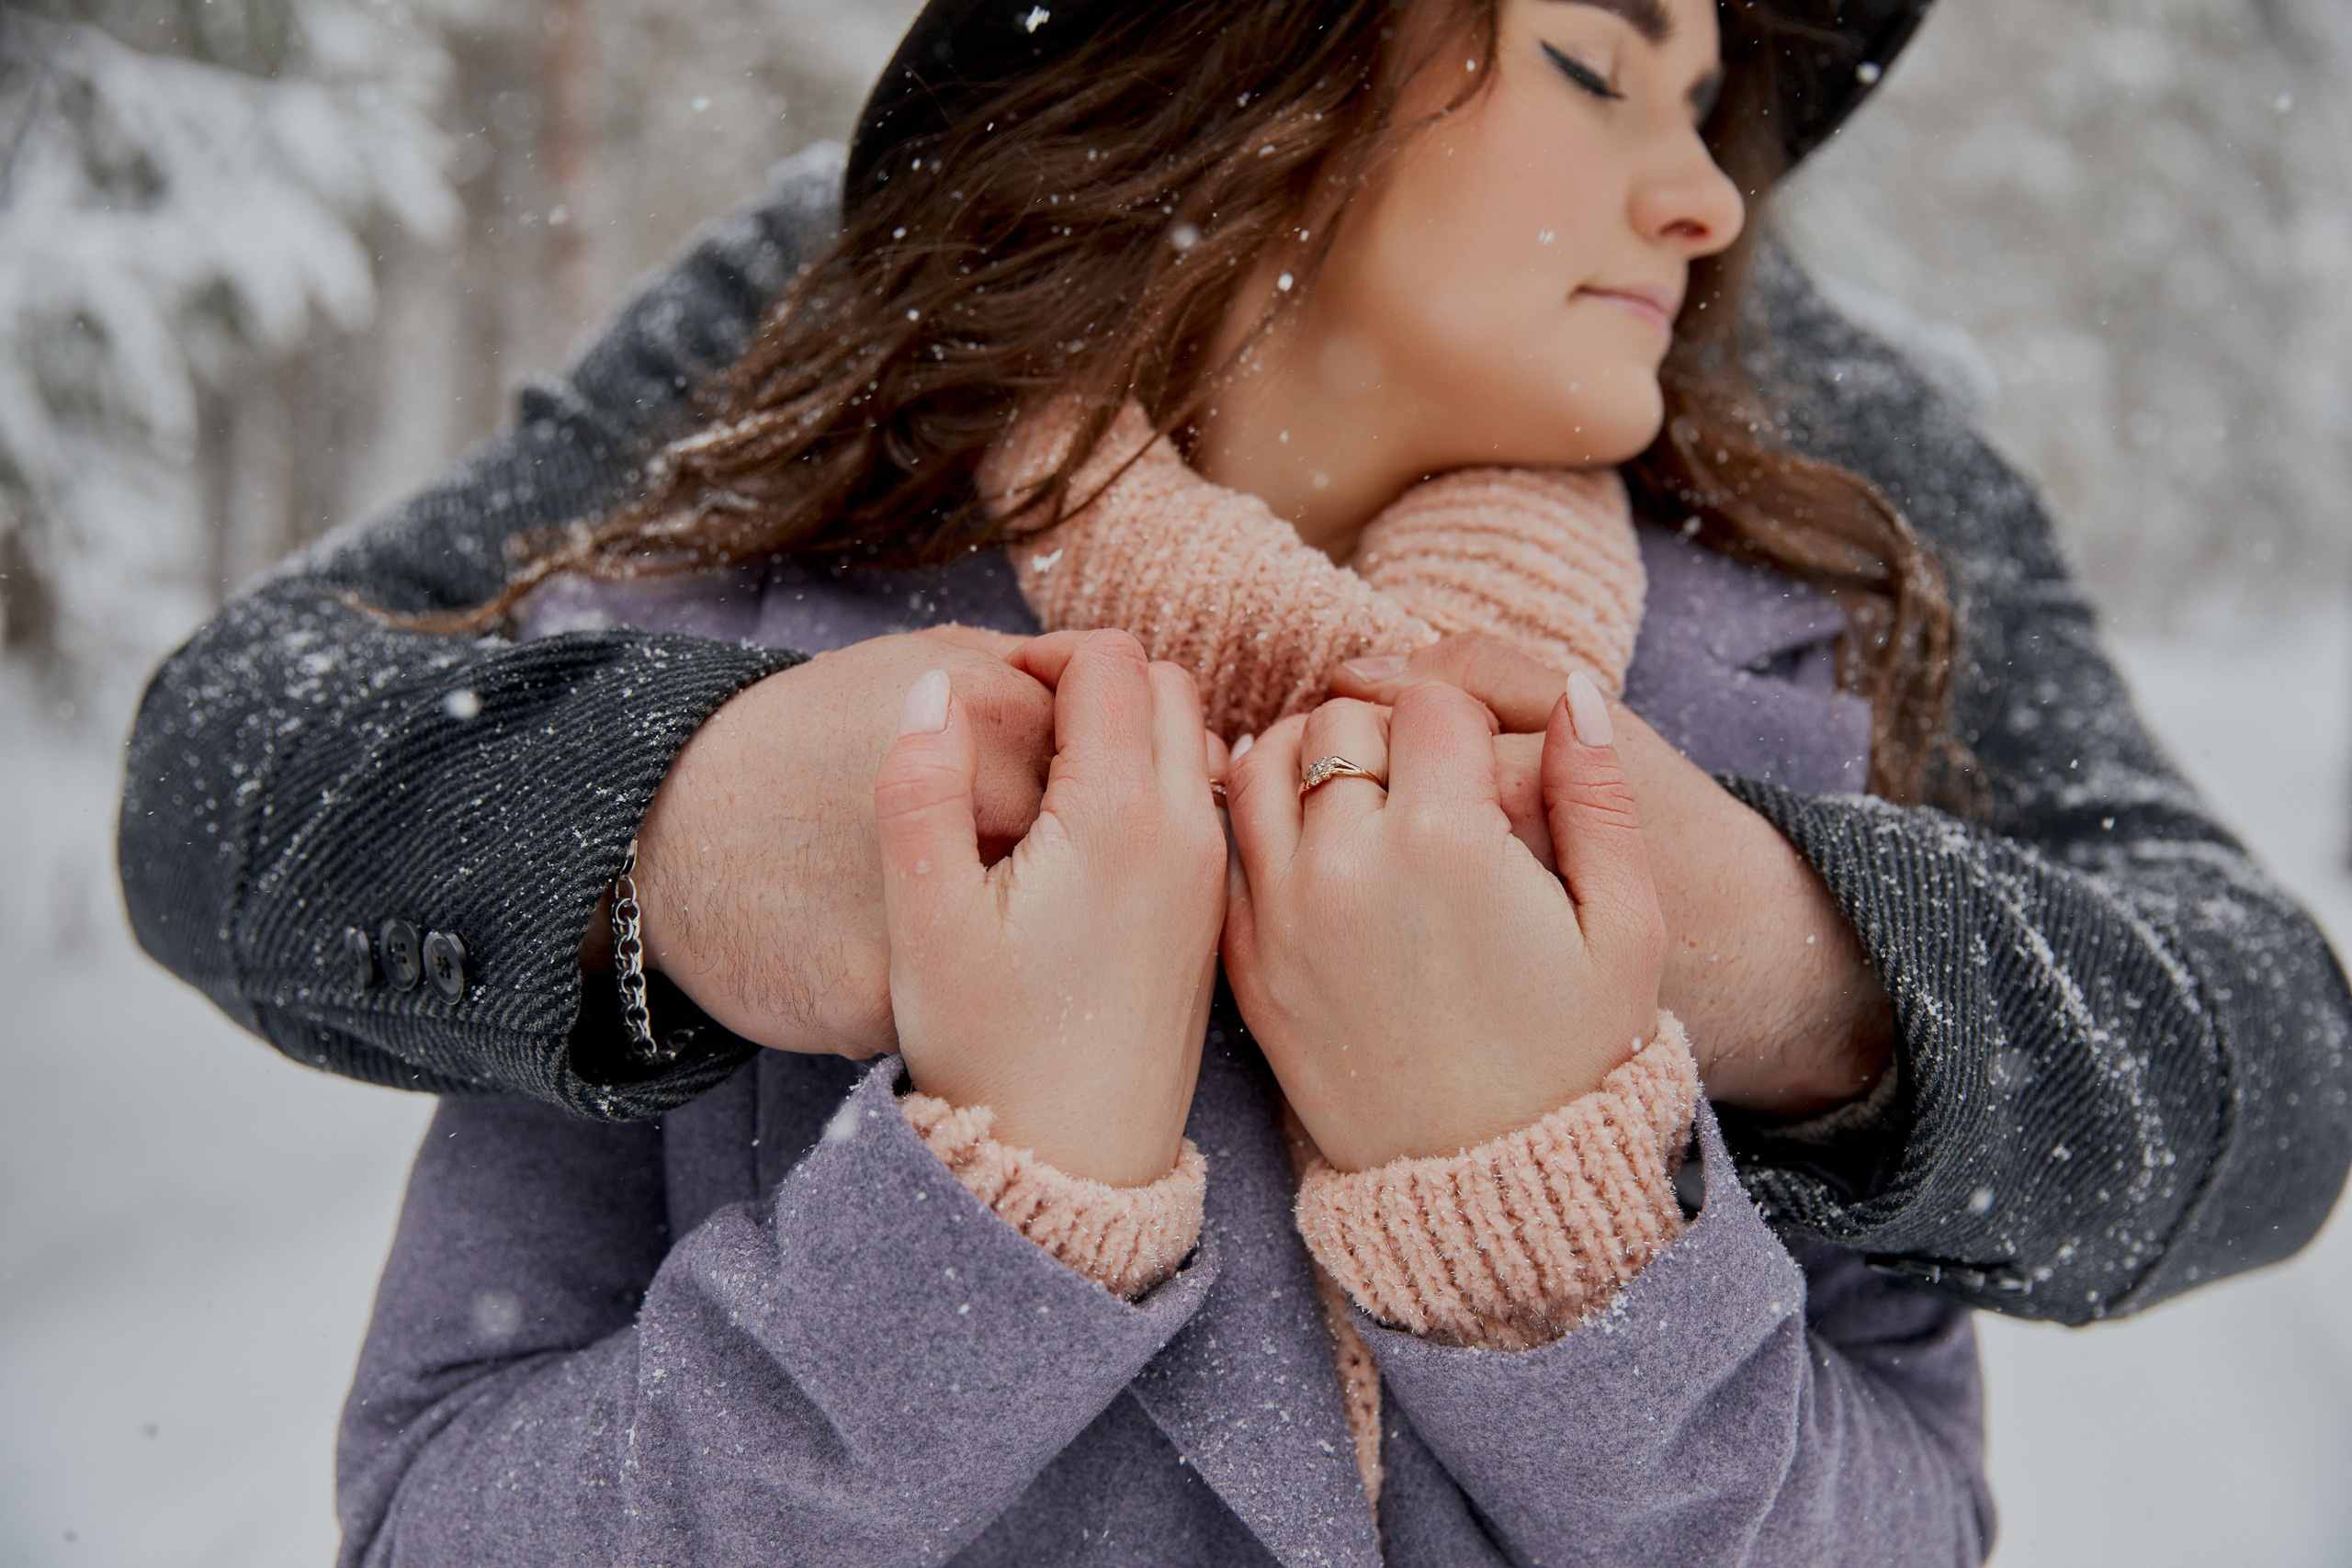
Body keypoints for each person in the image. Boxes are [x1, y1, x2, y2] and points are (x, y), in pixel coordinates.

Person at [113, 0, 2347, 1551]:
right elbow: (237, 755)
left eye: (1703, 98)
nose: (1703, 203)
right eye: (1588, 63)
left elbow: (2266, 1055)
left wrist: (1763, 961)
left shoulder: (1812, 503)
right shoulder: (834, 339)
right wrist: (686, 841)